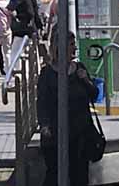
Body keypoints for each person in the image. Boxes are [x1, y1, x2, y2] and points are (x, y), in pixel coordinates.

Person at [37, 29, 98, 186]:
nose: (75, 49)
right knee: (54, 174)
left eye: (74, 44)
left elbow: (94, 95)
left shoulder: (79, 68)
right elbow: (42, 102)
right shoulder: (47, 73)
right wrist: (44, 125)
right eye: (71, 45)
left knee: (80, 174)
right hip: (56, 133)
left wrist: (85, 80)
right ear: (60, 47)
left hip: (81, 132)